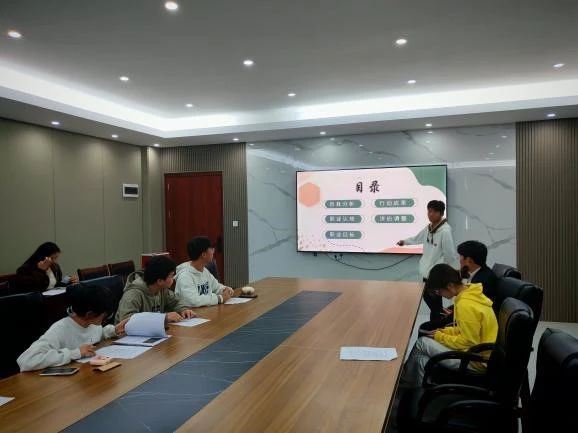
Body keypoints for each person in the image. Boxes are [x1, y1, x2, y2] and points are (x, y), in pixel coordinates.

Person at [400, 264, 498, 388]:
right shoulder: (471, 293)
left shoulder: (465, 305)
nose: (440, 295)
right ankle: (417, 391)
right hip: (481, 352)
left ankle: (402, 382)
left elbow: (468, 341)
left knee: (422, 343)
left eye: (439, 291)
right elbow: (464, 329)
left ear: (450, 286)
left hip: (476, 360)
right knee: (421, 360)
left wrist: (440, 337)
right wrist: (443, 332)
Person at [17, 284, 128, 371]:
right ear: (89, 314)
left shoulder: (91, 324)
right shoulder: (59, 330)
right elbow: (26, 361)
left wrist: (114, 330)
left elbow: (94, 336)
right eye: (105, 315)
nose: (107, 318)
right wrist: (75, 353)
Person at [419, 240, 499, 332]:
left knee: (426, 328)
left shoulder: (483, 281)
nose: (459, 260)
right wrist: (453, 311)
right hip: (467, 319)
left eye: (460, 256)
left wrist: (453, 315)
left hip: (477, 327)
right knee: (434, 319)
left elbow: (471, 310)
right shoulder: (479, 274)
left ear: (469, 260)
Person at [397, 200, 457, 321]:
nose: (430, 214)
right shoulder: (429, 228)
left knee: (433, 301)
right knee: (432, 301)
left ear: (441, 213)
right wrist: (405, 242)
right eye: (429, 211)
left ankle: (439, 322)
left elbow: (450, 254)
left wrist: (447, 271)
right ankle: (438, 321)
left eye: (434, 212)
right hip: (426, 271)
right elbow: (417, 238)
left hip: (436, 273)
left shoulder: (445, 231)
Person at [115, 256, 196, 323]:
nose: (173, 278)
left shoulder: (161, 289)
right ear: (160, 281)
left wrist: (183, 309)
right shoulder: (133, 294)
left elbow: (175, 302)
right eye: (171, 276)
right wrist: (163, 318)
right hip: (126, 336)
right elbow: (126, 321)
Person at [175, 236, 234, 307]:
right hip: (192, 312)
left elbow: (216, 286)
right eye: (211, 249)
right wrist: (219, 298)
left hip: (207, 310)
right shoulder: (184, 276)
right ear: (203, 255)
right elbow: (193, 301)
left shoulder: (204, 271)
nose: (213, 251)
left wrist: (225, 289)